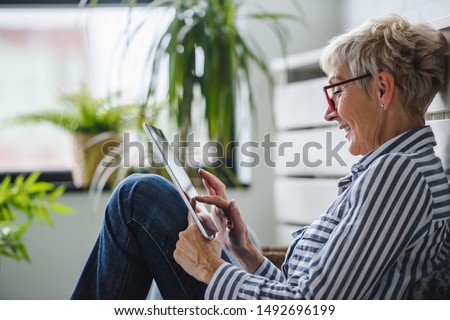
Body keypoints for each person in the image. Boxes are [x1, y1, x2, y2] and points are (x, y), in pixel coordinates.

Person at [71, 14, 450, 300]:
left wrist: (210, 266)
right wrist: (244, 251)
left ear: (383, 88)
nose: (329, 111)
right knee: (186, 217)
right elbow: (309, 290)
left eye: (335, 91)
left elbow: (309, 307)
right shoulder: (392, 171)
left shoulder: (399, 175)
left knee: (139, 197)